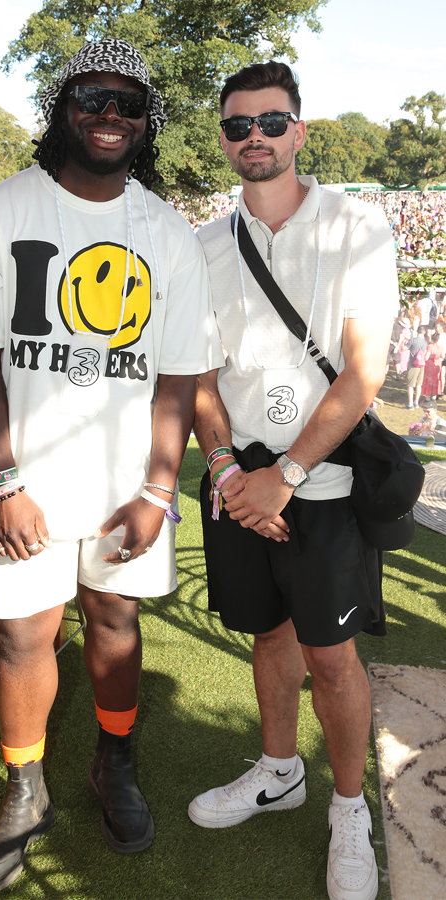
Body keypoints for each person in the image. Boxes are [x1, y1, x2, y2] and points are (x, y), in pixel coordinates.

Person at [0, 38, 223, 892]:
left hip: (126, 482)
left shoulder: (166, 232)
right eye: (92, 97)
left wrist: (159, 489)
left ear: (146, 123)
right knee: (23, 635)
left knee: (115, 622)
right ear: (62, 108)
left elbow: (178, 374)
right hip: (21, 478)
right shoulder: (0, 211)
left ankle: (114, 764)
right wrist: (6, 481)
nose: (108, 116)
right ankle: (25, 792)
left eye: (127, 103)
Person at [189, 62, 398, 900]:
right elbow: (198, 379)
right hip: (238, 479)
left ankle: (350, 809)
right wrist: (225, 468)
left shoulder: (359, 226)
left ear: (299, 130)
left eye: (271, 123)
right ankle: (280, 770)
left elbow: (364, 373)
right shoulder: (204, 244)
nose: (255, 139)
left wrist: (288, 473)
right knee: (268, 634)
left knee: (333, 655)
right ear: (226, 138)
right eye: (239, 126)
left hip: (325, 480)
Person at [406, 325, 428, 409]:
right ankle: (416, 402)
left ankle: (410, 404)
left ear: (417, 331)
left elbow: (404, 348)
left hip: (413, 363)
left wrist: (405, 342)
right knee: (419, 384)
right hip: (421, 364)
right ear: (424, 332)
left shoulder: (412, 340)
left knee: (410, 384)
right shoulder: (425, 342)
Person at [421, 332, 443, 400]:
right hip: (438, 363)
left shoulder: (430, 346)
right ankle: (434, 395)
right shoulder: (440, 347)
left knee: (429, 380)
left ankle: (428, 397)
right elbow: (442, 356)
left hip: (430, 364)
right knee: (436, 380)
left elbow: (426, 357)